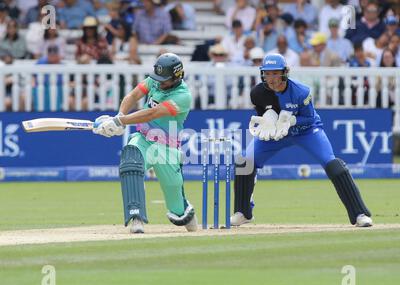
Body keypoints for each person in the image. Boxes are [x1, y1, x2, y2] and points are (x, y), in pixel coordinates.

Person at [231, 53, 373, 228]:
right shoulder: (257, 93)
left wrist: (292, 121)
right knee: (245, 161)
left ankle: (360, 214)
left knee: (332, 164)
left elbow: (309, 118)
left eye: (275, 73)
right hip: (277, 134)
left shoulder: (301, 91)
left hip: (306, 131)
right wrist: (268, 122)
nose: (271, 79)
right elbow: (262, 114)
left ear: (284, 73)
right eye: (267, 74)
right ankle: (243, 212)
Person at [92, 53, 197, 234]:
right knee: (130, 161)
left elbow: (152, 114)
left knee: (178, 209)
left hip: (167, 147)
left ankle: (184, 209)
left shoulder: (183, 96)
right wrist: (119, 116)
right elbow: (133, 96)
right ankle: (136, 217)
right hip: (144, 138)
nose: (159, 83)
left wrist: (121, 122)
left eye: (163, 80)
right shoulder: (155, 81)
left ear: (176, 77)